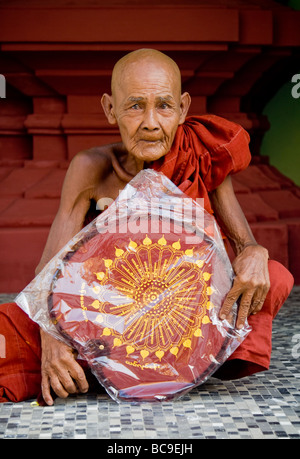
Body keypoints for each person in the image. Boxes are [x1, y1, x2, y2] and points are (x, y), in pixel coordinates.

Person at [0, 49, 294, 405]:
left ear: (183, 108)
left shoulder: (200, 156)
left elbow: (246, 245)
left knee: (273, 276)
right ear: (110, 109)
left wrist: (254, 252)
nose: (151, 123)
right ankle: (111, 366)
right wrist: (52, 338)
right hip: (103, 318)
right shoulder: (91, 167)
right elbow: (49, 269)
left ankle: (156, 365)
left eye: (164, 106)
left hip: (186, 318)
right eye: (135, 106)